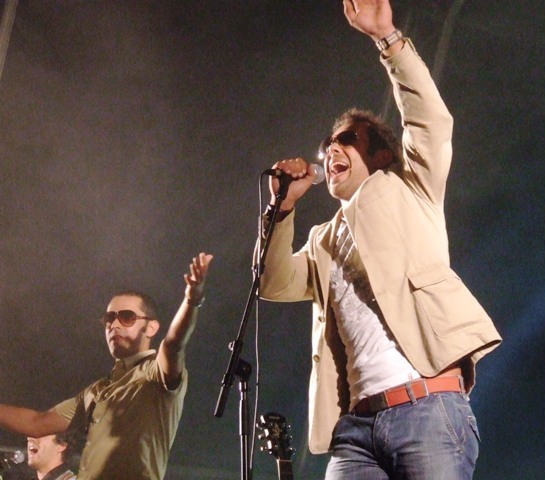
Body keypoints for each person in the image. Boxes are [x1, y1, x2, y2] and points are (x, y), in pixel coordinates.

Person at [256, 1, 502, 478]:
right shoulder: (323, 239)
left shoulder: (411, 186)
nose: (332, 148)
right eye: (328, 145)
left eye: (348, 139)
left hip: (427, 408)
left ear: (383, 155)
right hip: (355, 432)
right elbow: (273, 282)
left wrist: (387, 40)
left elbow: (431, 121)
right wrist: (281, 210)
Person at [0, 252, 213, 480]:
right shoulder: (96, 391)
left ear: (151, 327)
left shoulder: (156, 373)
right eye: (109, 318)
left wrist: (192, 301)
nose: (114, 324)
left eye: (127, 317)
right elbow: (37, 423)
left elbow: (174, 344)